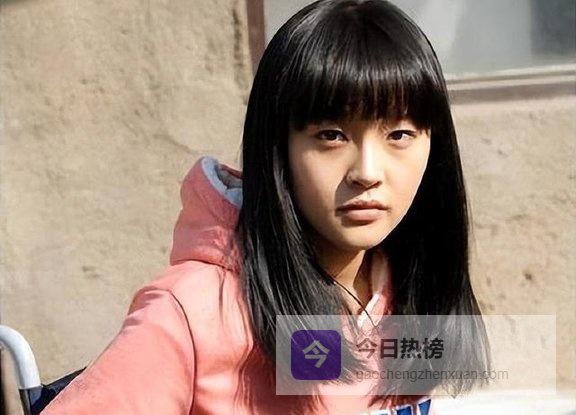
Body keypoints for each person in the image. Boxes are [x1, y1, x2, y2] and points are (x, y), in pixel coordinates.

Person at [40, 0, 490, 413]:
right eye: (331, 136)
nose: (367, 172)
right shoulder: (192, 313)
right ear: (277, 148)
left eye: (399, 135)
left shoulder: (406, 289)